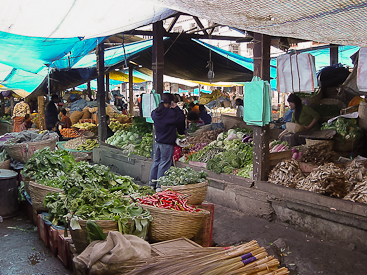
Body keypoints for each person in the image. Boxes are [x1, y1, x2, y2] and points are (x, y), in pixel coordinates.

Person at [149, 93, 185, 191]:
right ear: (170, 102)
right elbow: (181, 118)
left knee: (156, 161)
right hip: (167, 143)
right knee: (164, 163)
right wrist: (177, 108)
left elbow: (152, 114)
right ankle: (159, 186)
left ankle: (152, 183)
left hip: (158, 142)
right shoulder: (171, 113)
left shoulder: (156, 112)